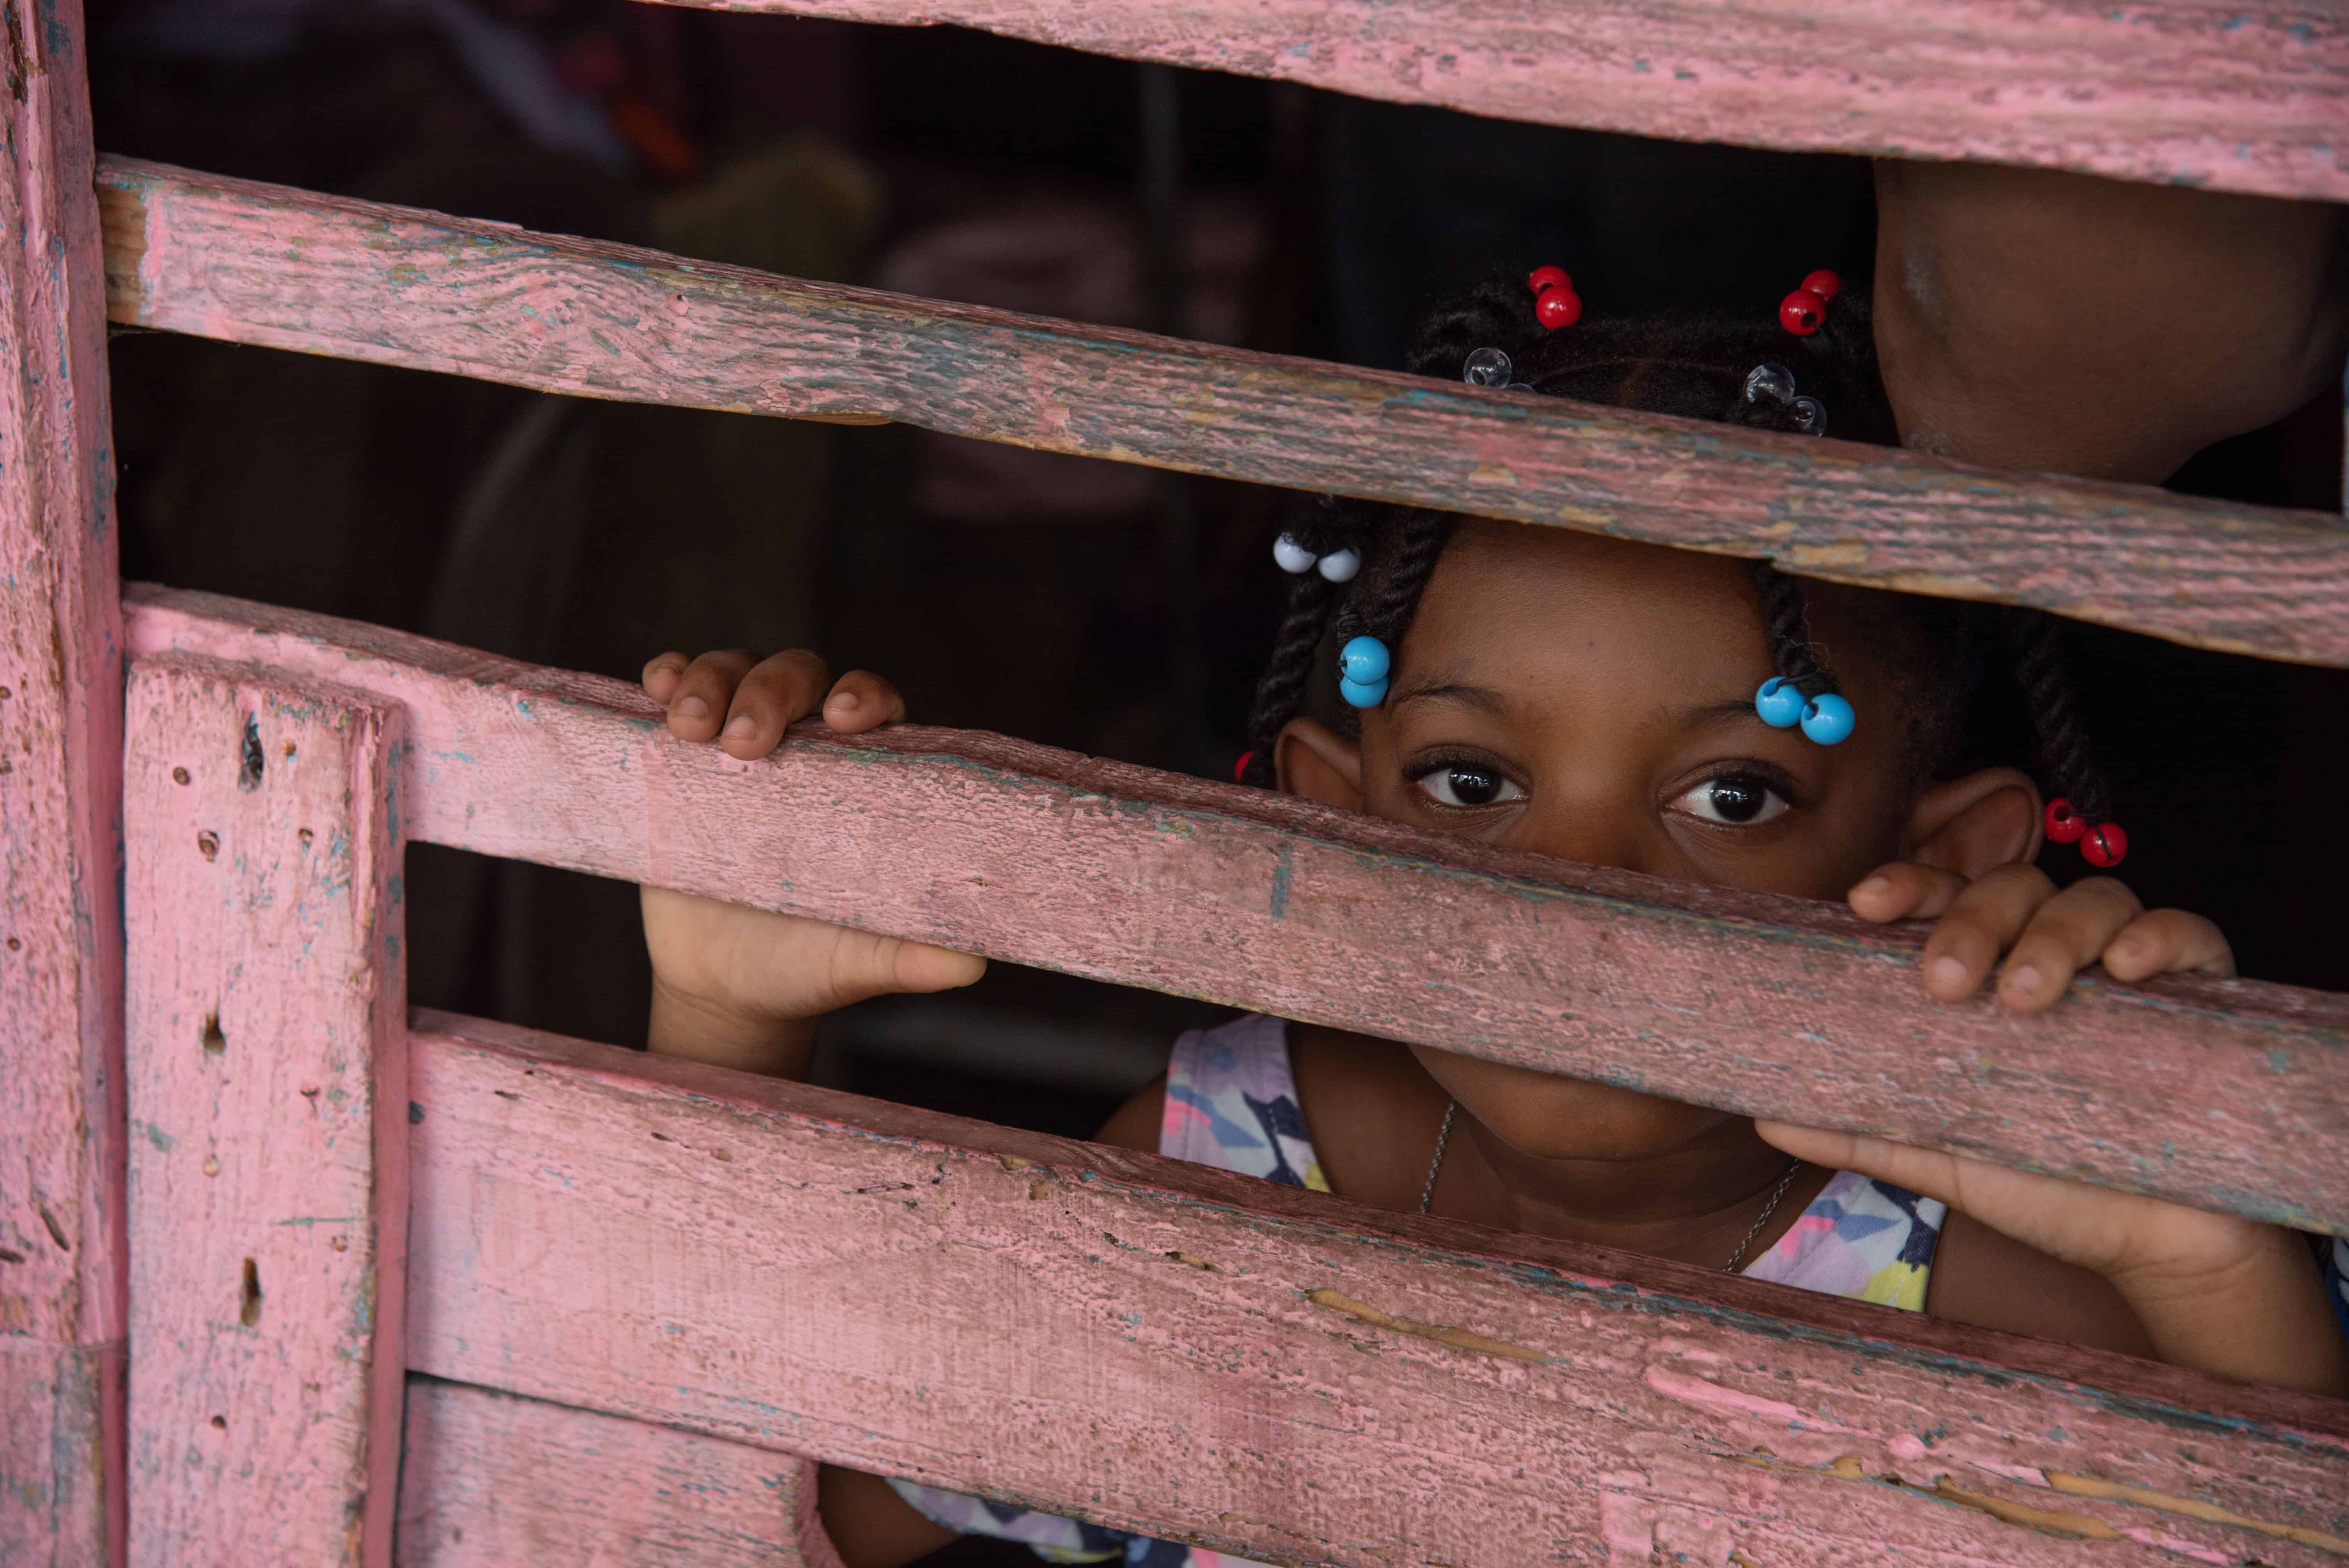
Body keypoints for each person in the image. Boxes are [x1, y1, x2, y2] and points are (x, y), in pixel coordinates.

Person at [638, 270, 2349, 1568]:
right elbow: (797, 1510)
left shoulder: (1992, 1277)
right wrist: (729, 1015)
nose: (1578, 884)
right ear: (1334, 810)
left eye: (1732, 793)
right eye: (1470, 782)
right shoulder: (1239, 1156)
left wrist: (2187, 1239)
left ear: (1946, 846)